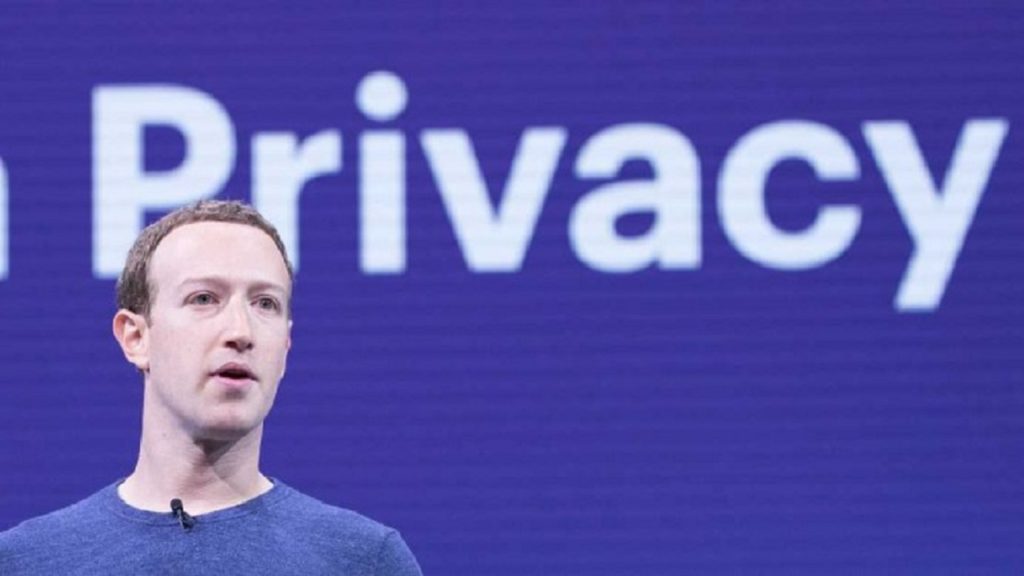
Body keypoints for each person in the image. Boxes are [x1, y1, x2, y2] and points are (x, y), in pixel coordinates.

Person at [0, 200, 422, 575]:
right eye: (204, 299)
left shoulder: (363, 562)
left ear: (285, 347)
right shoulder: (26, 562)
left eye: (265, 303)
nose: (241, 331)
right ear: (136, 337)